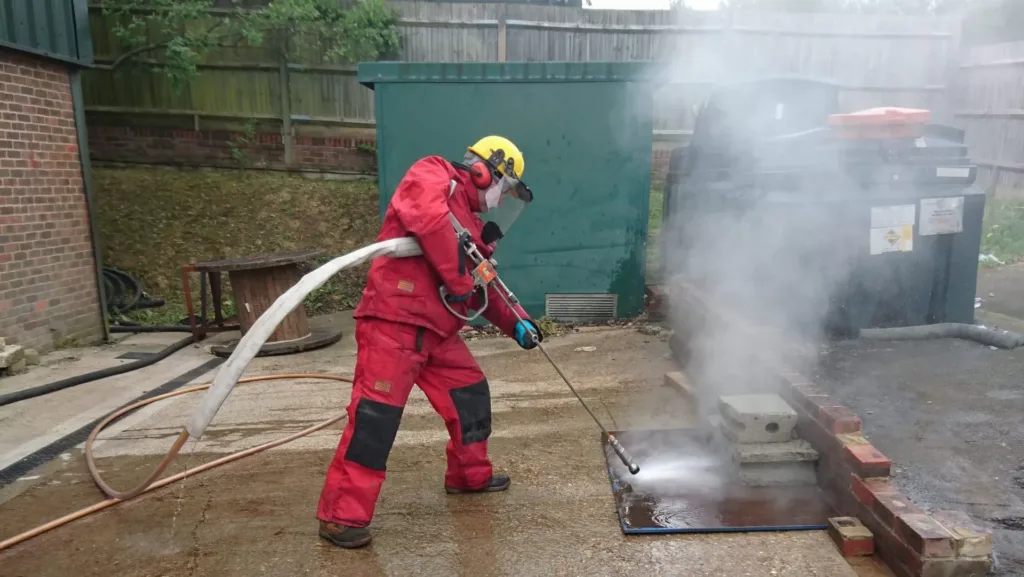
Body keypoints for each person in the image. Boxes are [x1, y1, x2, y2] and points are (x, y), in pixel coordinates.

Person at [316, 136, 542, 549]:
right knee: (375, 420)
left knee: (471, 394)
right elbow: (430, 222)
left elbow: (483, 285)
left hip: (437, 333)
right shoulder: (432, 173)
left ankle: (469, 477)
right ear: (484, 171)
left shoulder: (473, 226)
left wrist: (519, 324)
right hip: (393, 325)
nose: (500, 201)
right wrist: (459, 280)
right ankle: (340, 517)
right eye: (504, 188)